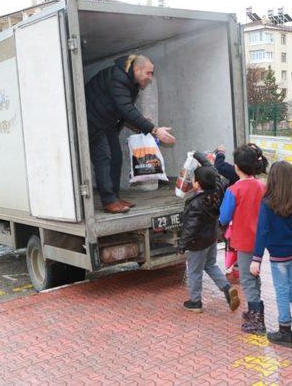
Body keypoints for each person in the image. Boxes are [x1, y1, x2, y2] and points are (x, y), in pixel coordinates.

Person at [85, 54, 176, 214]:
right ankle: (108, 200)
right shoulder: (117, 78)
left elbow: (125, 109)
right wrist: (154, 130)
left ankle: (115, 197)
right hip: (92, 120)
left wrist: (140, 119)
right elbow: (126, 109)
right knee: (104, 157)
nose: (150, 78)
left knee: (116, 156)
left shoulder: (131, 82)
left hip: (107, 122)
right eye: (148, 73)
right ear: (137, 69)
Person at [250, 161, 292, 348]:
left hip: (278, 257)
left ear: (273, 180)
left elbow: (262, 232)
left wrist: (256, 259)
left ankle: (284, 331)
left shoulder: (267, 204)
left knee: (282, 291)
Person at [177, 152, 240, 313]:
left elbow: (190, 227)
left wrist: (182, 245)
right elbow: (212, 169)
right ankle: (226, 288)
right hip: (211, 237)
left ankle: (195, 302)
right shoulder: (217, 188)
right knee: (210, 265)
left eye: (194, 179)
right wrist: (198, 156)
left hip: (197, 243)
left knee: (194, 271)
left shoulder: (196, 203)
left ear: (197, 185)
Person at [219, 145, 267, 334]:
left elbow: (223, 217)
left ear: (237, 167)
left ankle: (256, 319)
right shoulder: (264, 186)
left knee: (247, 279)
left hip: (244, 240)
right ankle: (256, 311)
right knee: (255, 274)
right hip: (261, 240)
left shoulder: (234, 189)